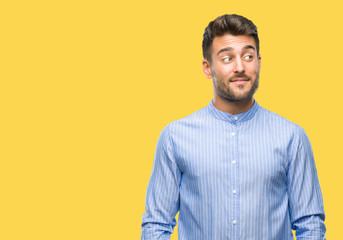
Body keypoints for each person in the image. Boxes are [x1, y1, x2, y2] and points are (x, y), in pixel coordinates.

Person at [141, 14, 326, 239]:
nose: (240, 67)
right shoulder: (175, 137)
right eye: (227, 58)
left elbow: (311, 226)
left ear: (259, 61)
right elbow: (156, 226)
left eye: (248, 56)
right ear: (207, 68)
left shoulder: (291, 137)